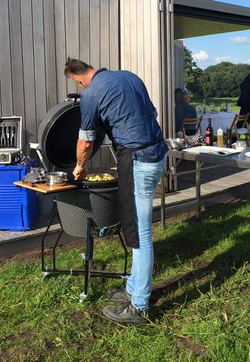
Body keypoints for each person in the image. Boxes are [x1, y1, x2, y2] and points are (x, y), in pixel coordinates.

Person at [64, 57, 167, 326]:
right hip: (157, 154)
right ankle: (132, 288)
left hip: (138, 159)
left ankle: (140, 306)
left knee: (139, 232)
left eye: (77, 83)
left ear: (78, 77)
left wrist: (79, 166)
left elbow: (85, 142)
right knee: (135, 227)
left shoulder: (91, 94)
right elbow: (150, 114)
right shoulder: (129, 76)